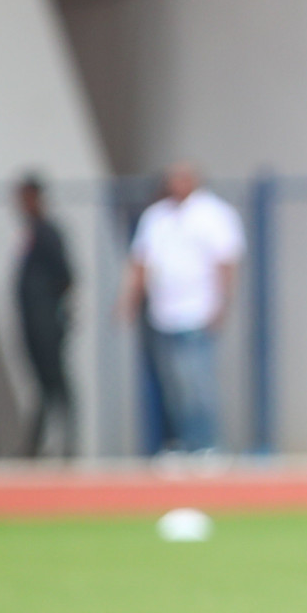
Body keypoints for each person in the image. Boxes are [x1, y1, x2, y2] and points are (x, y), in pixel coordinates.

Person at [118, 162, 244, 454]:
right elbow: (141, 262)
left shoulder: (214, 214)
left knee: (198, 383)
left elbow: (226, 262)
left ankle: (207, 444)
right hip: (164, 314)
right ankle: (183, 442)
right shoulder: (156, 216)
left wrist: (222, 303)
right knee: (173, 386)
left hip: (198, 312)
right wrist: (129, 301)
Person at [14, 174, 75, 458]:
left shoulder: (47, 232)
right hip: (33, 320)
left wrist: (50, 310)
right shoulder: (32, 230)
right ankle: (35, 445)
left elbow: (66, 275)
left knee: (56, 381)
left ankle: (69, 443)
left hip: (46, 321)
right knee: (41, 385)